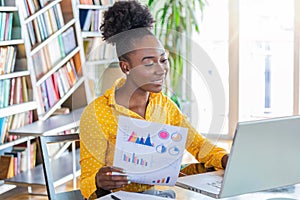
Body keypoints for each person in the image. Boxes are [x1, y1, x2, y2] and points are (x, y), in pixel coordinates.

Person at [79, 1, 228, 199]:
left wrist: (227, 159)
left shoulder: (165, 106)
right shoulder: (97, 114)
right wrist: (99, 180)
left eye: (163, 59)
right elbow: (87, 181)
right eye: (149, 63)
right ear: (125, 68)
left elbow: (199, 146)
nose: (161, 69)